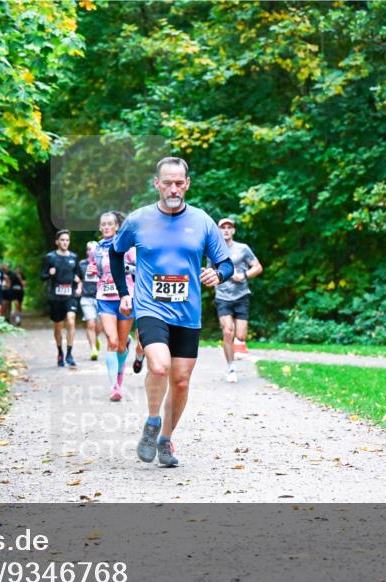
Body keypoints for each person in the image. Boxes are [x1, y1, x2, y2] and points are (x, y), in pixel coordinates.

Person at [110, 157, 234, 467]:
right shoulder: (138, 220)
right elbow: (115, 252)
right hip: (150, 307)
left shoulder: (202, 221)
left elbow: (226, 263)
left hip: (187, 313)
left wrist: (218, 275)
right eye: (167, 182)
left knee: (180, 380)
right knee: (160, 366)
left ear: (187, 184)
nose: (173, 188)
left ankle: (166, 439)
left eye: (179, 182)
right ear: (157, 184)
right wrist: (125, 294)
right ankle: (152, 422)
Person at [91, 211, 137, 401]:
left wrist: (126, 268)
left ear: (117, 226)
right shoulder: (96, 249)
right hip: (105, 297)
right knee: (112, 340)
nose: (107, 227)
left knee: (120, 345)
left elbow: (141, 267)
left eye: (111, 224)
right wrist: (92, 270)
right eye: (104, 224)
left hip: (126, 298)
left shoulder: (127, 247)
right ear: (100, 227)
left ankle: (119, 375)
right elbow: (95, 269)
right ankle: (114, 387)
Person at [213, 218, 262, 382]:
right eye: (223, 228)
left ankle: (236, 345)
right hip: (223, 296)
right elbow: (211, 273)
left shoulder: (243, 248)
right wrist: (216, 277)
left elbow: (258, 267)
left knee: (240, 335)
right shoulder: (214, 250)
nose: (226, 230)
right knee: (227, 331)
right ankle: (231, 368)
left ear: (233, 231)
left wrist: (243, 275)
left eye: (229, 227)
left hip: (241, 296)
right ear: (218, 231)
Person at [41, 229, 81, 368]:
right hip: (55, 296)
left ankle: (69, 353)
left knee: (71, 320)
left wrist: (79, 285)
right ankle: (60, 352)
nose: (65, 242)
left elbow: (78, 276)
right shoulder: (50, 257)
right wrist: (50, 274)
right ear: (57, 242)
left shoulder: (74, 257)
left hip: (70, 295)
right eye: (62, 240)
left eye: (67, 240)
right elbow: (42, 276)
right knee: (58, 325)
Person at [78, 242, 102, 360]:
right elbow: (78, 278)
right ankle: (93, 349)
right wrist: (78, 286)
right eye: (88, 249)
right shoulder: (82, 264)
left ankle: (96, 338)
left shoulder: (103, 263)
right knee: (90, 323)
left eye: (93, 249)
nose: (90, 251)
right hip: (86, 298)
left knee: (99, 327)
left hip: (101, 298)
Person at [7, 262, 25, 326]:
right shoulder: (12, 276)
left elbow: (24, 285)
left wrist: (20, 278)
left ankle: (18, 317)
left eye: (19, 270)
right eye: (17, 269)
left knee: (19, 306)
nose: (18, 271)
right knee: (16, 304)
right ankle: (17, 318)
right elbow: (9, 283)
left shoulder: (22, 276)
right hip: (13, 292)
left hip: (20, 292)